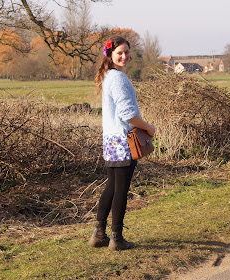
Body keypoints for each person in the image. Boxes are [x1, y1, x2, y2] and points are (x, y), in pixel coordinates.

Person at [89, 35, 155, 250]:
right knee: (120, 190)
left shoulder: (110, 76)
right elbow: (127, 114)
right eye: (120, 53)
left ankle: (99, 234)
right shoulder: (117, 78)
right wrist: (147, 127)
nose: (124, 56)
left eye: (127, 52)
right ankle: (116, 239)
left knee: (112, 187)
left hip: (111, 141)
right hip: (123, 141)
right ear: (110, 55)